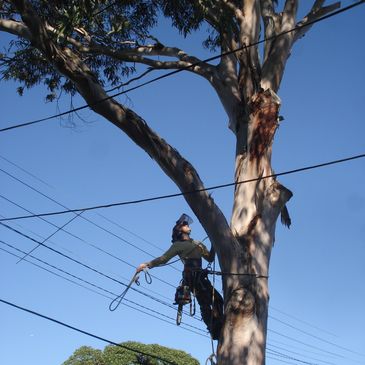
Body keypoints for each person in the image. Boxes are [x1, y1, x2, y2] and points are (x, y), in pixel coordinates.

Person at [136, 214, 224, 340]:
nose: (188, 226)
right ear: (179, 230)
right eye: (185, 225)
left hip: (201, 276)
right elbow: (164, 259)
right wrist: (147, 264)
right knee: (204, 303)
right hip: (192, 277)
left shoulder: (198, 243)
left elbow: (210, 257)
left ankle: (218, 323)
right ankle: (214, 328)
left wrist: (214, 244)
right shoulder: (177, 245)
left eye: (187, 224)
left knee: (218, 300)